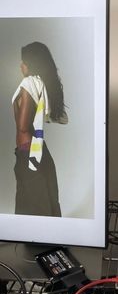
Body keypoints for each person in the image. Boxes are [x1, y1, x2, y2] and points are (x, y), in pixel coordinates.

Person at [12, 42, 68, 217]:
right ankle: (51, 239)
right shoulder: (39, 83)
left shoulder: (29, 83)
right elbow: (57, 117)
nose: (21, 66)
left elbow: (22, 126)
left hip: (29, 152)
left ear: (32, 63)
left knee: (33, 202)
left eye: (24, 62)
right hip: (35, 149)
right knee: (46, 199)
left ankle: (39, 240)